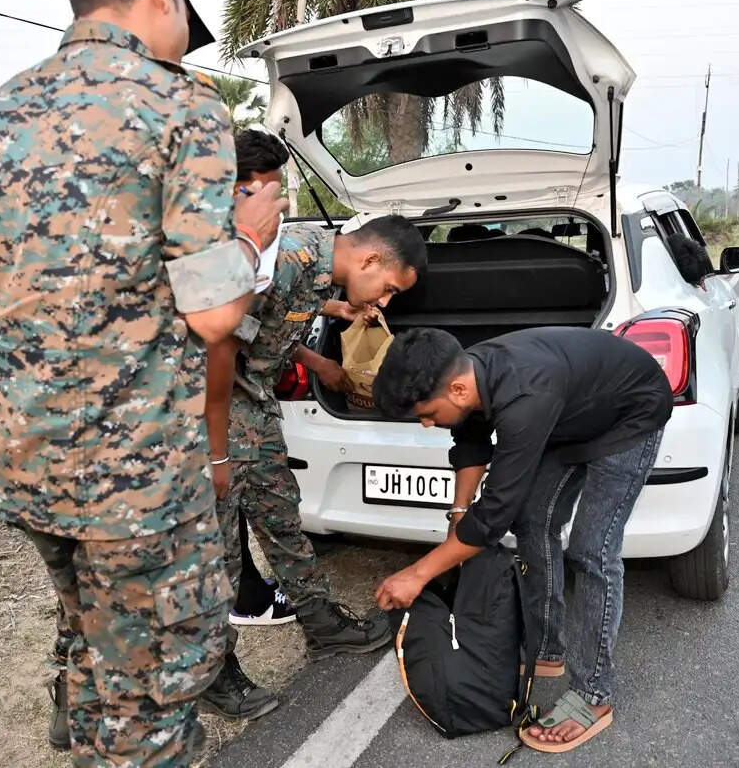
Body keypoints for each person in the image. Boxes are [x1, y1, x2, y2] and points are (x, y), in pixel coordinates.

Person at [0, 0, 287, 763]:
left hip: (26, 462)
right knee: (152, 693)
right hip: (136, 483)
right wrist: (248, 238)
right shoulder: (180, 105)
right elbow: (215, 317)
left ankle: (80, 723)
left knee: (89, 631)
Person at [372, 326, 673, 753]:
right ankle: (548, 645)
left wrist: (418, 573)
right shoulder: (468, 375)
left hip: (631, 412)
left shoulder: (525, 397)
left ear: (456, 389)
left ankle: (594, 694)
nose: (425, 424)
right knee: (533, 519)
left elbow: (494, 514)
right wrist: (458, 517)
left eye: (426, 414)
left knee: (593, 549)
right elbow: (472, 442)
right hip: (570, 416)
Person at [202, 207, 427, 720]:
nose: (384, 302)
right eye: (388, 288)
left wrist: (331, 332)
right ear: (369, 258)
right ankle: (212, 669)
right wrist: (213, 446)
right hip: (214, 412)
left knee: (282, 515)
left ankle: (321, 621)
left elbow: (275, 326)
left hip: (252, 407)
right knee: (218, 549)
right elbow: (213, 338)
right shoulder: (288, 256)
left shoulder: (317, 270)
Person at [226, 130, 299, 628]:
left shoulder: (250, 244)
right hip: (212, 409)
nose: (278, 205)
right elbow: (220, 341)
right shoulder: (218, 247)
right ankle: (246, 601)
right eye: (269, 193)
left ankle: (249, 595)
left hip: (225, 404)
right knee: (222, 518)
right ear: (239, 191)